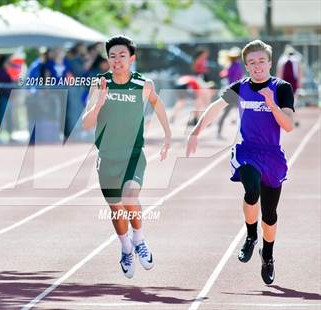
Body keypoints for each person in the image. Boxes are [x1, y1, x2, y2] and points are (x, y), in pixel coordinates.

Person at [186, 40, 295, 285]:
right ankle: (250, 236)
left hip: (272, 155)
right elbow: (215, 107)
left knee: (270, 215)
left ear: (269, 62)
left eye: (261, 61)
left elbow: (287, 125)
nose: (257, 66)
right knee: (251, 188)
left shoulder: (282, 88)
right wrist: (196, 132)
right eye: (252, 63)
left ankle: (267, 256)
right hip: (247, 151)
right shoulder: (241, 87)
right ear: (246, 66)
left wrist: (272, 105)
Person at [82, 35, 171, 279]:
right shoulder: (100, 83)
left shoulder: (144, 84)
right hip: (107, 156)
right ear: (107, 59)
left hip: (133, 154)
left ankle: (139, 239)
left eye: (122, 55)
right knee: (116, 209)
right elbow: (86, 124)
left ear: (131, 58)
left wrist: (168, 135)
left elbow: (158, 104)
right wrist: (99, 103)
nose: (117, 60)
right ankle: (125, 247)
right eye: (112, 56)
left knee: (129, 197)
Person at [216, 47, 244, 139]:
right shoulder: (236, 66)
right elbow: (236, 79)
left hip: (230, 91)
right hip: (234, 92)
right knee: (244, 111)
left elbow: (226, 75)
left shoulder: (231, 65)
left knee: (229, 112)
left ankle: (219, 131)